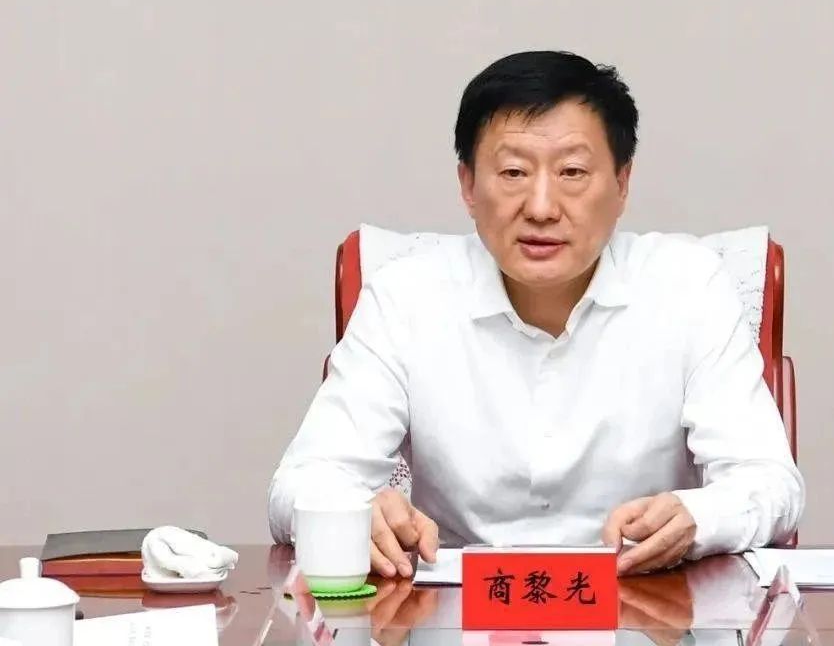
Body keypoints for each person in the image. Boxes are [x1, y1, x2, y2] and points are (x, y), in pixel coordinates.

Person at [268, 51, 805, 577]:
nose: (542, 208)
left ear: (622, 184)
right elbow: (301, 484)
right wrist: (351, 512)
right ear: (468, 185)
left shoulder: (687, 286)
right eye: (513, 172)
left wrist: (698, 517)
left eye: (572, 171)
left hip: (646, 603)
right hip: (456, 609)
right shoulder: (406, 296)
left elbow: (770, 482)